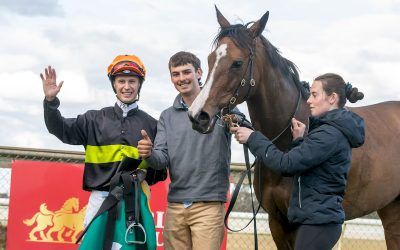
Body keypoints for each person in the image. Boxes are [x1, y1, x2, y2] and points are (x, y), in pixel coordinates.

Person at [231, 73, 365, 250]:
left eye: (314, 94)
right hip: (316, 221)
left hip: (319, 224)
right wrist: (299, 141)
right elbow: (309, 165)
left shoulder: (329, 135)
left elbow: (285, 165)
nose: (309, 100)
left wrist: (253, 138)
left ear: (332, 98)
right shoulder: (328, 132)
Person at [40, 54, 158, 237]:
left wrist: (150, 157)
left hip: (136, 198)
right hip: (100, 198)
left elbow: (161, 170)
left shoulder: (152, 125)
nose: (127, 87)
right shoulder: (93, 119)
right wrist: (50, 103)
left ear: (139, 84)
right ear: (114, 85)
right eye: (121, 81)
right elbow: (60, 129)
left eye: (132, 81)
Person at [138, 51, 234, 250]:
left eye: (186, 72)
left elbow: (243, 126)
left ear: (199, 72)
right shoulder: (167, 116)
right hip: (176, 206)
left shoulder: (221, 107)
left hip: (209, 205)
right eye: (176, 74)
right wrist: (148, 154)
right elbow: (161, 159)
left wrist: (239, 124)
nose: (181, 79)